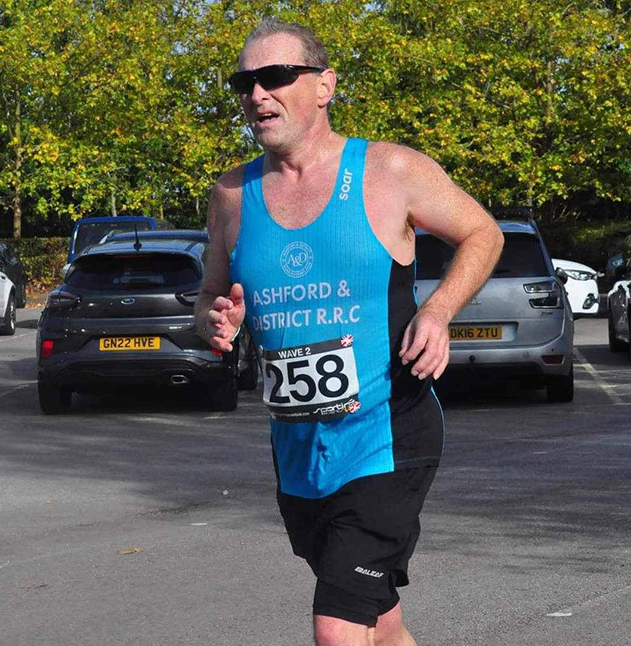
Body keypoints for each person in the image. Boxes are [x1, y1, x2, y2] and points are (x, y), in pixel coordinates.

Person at [195, 17, 504, 646]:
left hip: (387, 434)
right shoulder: (231, 194)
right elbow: (210, 297)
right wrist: (216, 321)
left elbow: (484, 233)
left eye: (276, 76)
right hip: (299, 451)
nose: (257, 94)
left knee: (337, 626)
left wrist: (438, 311)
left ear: (325, 85)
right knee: (379, 622)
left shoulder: (389, 170)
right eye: (244, 83)